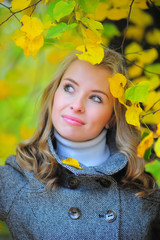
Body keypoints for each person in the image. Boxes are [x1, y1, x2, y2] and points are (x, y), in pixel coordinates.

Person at [0, 48, 160, 240]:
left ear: (111, 116)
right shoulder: (16, 178)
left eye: (96, 98)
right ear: (54, 94)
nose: (77, 105)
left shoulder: (146, 185)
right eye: (69, 88)